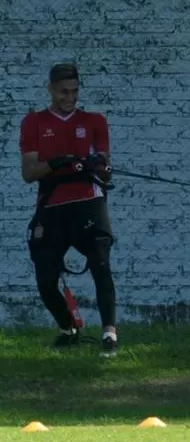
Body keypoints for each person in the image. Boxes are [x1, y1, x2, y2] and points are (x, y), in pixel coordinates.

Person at [19, 63, 120, 357]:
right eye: (64, 91)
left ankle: (109, 335)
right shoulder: (33, 122)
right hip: (52, 207)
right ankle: (68, 328)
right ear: (50, 90)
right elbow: (28, 172)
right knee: (46, 279)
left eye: (75, 91)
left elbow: (106, 171)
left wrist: (96, 165)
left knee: (101, 265)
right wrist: (56, 163)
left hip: (89, 204)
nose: (70, 97)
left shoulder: (94, 121)